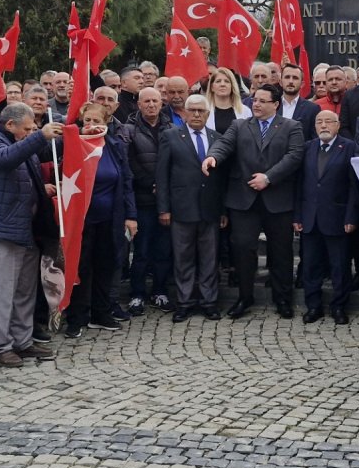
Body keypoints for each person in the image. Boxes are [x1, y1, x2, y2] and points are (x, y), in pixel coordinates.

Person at [202, 84, 305, 319]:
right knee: (243, 250)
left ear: (275, 104)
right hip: (243, 200)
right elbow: (223, 145)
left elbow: (295, 156)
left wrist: (268, 178)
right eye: (254, 100)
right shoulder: (239, 125)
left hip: (277, 200)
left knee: (281, 252)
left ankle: (283, 299)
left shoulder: (292, 127)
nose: (255, 104)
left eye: (261, 101)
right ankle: (244, 297)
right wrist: (212, 156)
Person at [0, 102, 61, 367]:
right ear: (9, 125)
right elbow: (7, 158)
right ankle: (0, 347)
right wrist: (39, 136)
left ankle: (22, 342)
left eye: (33, 128)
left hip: (26, 229)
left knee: (25, 291)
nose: (30, 131)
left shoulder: (23, 141)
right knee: (2, 292)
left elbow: (46, 153)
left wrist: (77, 135)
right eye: (27, 128)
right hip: (1, 229)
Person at [62, 103, 137, 337]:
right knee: (80, 267)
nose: (92, 126)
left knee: (106, 265)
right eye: (87, 121)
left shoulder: (115, 147)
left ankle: (101, 312)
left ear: (107, 123)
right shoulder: (73, 145)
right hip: (81, 219)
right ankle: (77, 316)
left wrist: (131, 215)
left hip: (110, 218)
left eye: (97, 121)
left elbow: (126, 182)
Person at [157, 95, 227, 322]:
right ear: (184, 113)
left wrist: (223, 210)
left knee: (209, 258)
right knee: (183, 258)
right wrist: (164, 209)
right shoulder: (170, 136)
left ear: (208, 114)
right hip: (181, 209)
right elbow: (163, 174)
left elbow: (223, 180)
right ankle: (184, 302)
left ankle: (209, 302)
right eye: (192, 110)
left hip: (210, 210)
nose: (196, 114)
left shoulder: (218, 138)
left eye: (201, 110)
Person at [295, 110, 359, 325]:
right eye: (319, 122)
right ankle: (313, 306)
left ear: (338, 125)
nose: (323, 126)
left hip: (338, 218)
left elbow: (354, 186)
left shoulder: (349, 147)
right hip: (310, 217)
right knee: (311, 265)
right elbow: (299, 185)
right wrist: (298, 215)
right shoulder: (307, 148)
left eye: (328, 122)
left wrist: (351, 216)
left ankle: (339, 307)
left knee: (339, 266)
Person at [126, 87, 173, 315]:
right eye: (146, 101)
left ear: (161, 104)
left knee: (163, 250)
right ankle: (137, 294)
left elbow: (176, 161)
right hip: (141, 199)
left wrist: (164, 186)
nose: (151, 105)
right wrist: (151, 184)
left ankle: (160, 291)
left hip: (165, 202)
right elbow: (129, 162)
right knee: (142, 251)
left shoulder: (172, 128)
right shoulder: (129, 130)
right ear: (139, 104)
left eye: (155, 101)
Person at [279, 64, 320, 140]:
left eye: (295, 78)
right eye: (287, 77)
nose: (291, 81)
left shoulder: (312, 109)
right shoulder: (271, 106)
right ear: (280, 82)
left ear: (302, 84)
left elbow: (314, 140)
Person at [207, 69, 249, 134]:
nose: (222, 84)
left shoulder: (245, 111)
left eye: (227, 81)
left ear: (232, 86)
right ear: (212, 87)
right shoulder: (205, 110)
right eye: (218, 81)